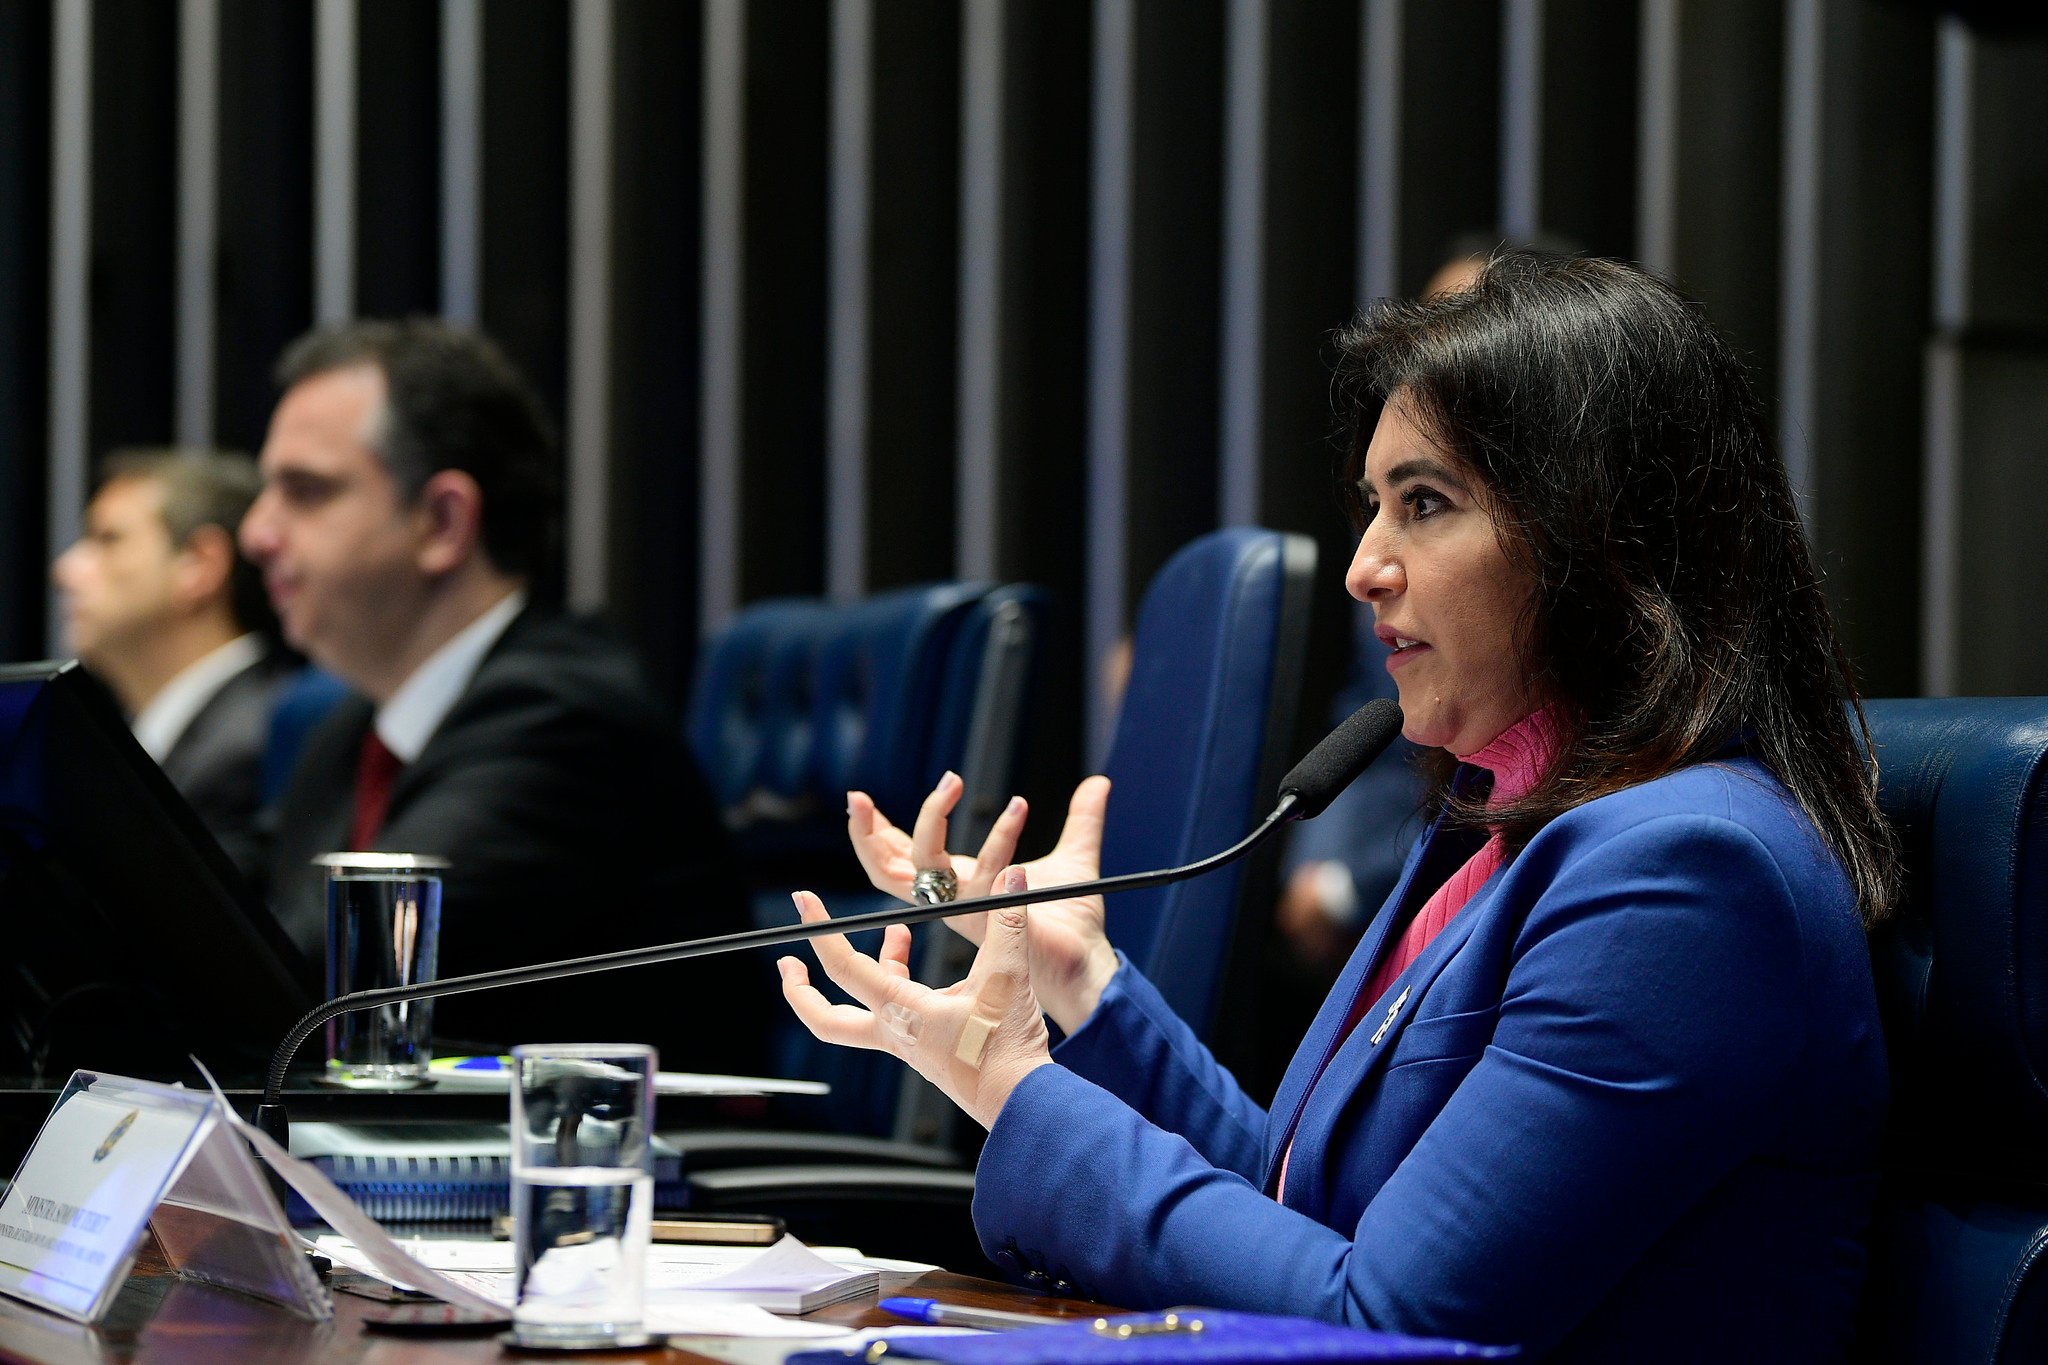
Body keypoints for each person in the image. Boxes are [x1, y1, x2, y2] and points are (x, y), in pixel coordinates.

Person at [776, 254, 1896, 1359]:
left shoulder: (1686, 877)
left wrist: (1012, 1086)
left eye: (1423, 503)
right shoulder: (1495, 824)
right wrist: (1082, 981)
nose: (1364, 565)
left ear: (1594, 536)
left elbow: (1391, 1325)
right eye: (1374, 505)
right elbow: (1296, 1194)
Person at [241, 318, 763, 1069]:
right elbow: (240, 922)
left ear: (443, 522)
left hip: (638, 1178)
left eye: (306, 491)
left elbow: (316, 979)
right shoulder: (351, 730)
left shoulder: (564, 721)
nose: (257, 532)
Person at [51, 448, 290, 881]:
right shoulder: (180, 737)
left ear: (199, 564)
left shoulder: (262, 738)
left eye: (108, 539)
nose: (66, 570)